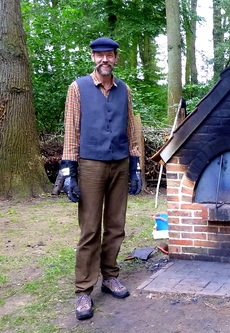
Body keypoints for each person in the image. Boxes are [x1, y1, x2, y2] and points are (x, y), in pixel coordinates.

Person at [59, 37, 142, 321]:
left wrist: (136, 166)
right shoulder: (78, 88)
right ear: (93, 57)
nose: (104, 59)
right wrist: (69, 171)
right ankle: (83, 289)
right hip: (90, 164)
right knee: (90, 229)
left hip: (119, 163)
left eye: (109, 55)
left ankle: (110, 276)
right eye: (99, 55)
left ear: (116, 58)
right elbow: (72, 130)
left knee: (116, 226)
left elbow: (131, 128)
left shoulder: (124, 90)